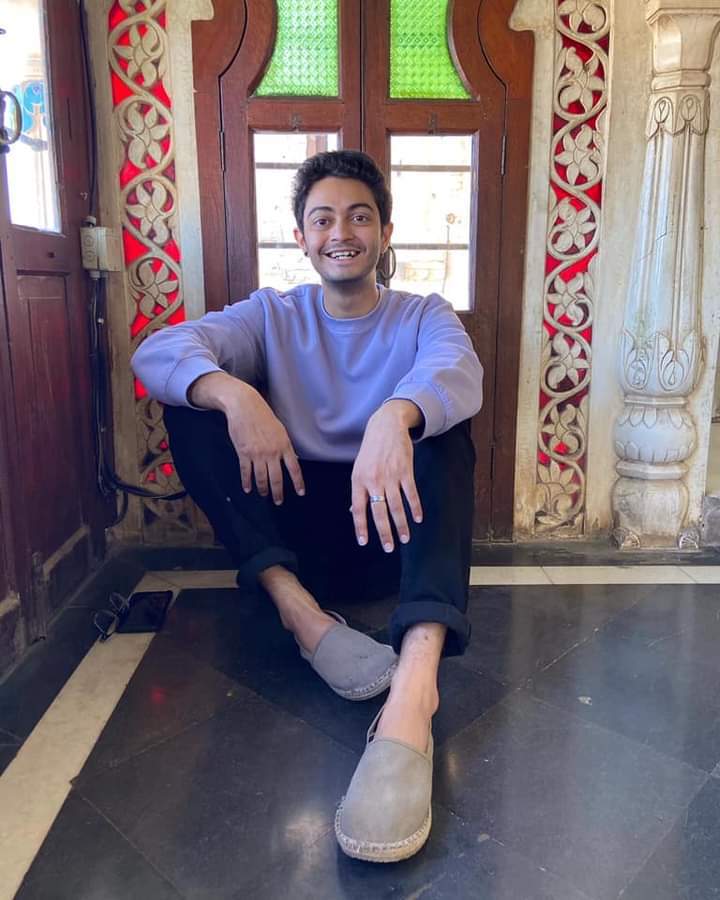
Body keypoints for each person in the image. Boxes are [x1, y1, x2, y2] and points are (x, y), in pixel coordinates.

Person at [131, 149, 483, 863]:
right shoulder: (272, 314)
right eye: (322, 219)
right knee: (192, 407)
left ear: (385, 232)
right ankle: (301, 617)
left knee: (446, 434)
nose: (340, 233)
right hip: (295, 539)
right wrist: (236, 394)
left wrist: (395, 417)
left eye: (359, 217)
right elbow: (160, 352)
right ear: (301, 236)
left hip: (387, 531)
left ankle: (414, 693)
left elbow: (458, 370)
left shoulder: (423, 315)